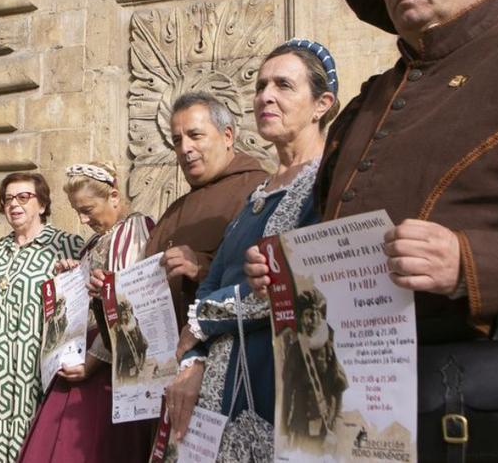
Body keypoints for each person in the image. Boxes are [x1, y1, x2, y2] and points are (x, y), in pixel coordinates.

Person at [244, 0, 498, 459]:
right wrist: (291, 275)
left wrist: (471, 260)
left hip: (497, 409)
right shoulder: (370, 103)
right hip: (364, 414)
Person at [164, 39, 338, 462]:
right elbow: (217, 282)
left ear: (322, 103)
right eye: (261, 86)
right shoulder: (257, 195)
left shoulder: (329, 183)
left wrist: (203, 321)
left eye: (283, 85)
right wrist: (195, 360)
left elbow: (299, 284)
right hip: (219, 390)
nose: (265, 96)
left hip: (280, 381)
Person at [19, 161, 157, 463]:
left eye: (88, 209)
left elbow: (128, 304)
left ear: (114, 197)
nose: (82, 219)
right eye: (77, 210)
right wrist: (75, 274)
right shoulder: (97, 241)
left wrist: (93, 362)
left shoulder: (135, 231)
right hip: (84, 350)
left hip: (109, 361)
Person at [0, 173, 84, 463]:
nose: (14, 204)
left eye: (24, 197)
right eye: (8, 199)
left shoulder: (66, 245)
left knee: (30, 441)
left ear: (42, 204)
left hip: (31, 370)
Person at [143, 92, 269, 330]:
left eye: (195, 135)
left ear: (227, 136)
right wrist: (107, 298)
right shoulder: (172, 213)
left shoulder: (260, 192)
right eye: (177, 140)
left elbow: (268, 285)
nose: (185, 148)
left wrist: (201, 268)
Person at [279, 290, 346, 453]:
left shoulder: (329, 350)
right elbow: (287, 393)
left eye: (317, 314)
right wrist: (284, 431)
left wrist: (335, 427)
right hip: (300, 424)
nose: (314, 319)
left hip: (325, 427)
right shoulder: (295, 351)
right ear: (301, 318)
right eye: (309, 314)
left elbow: (339, 390)